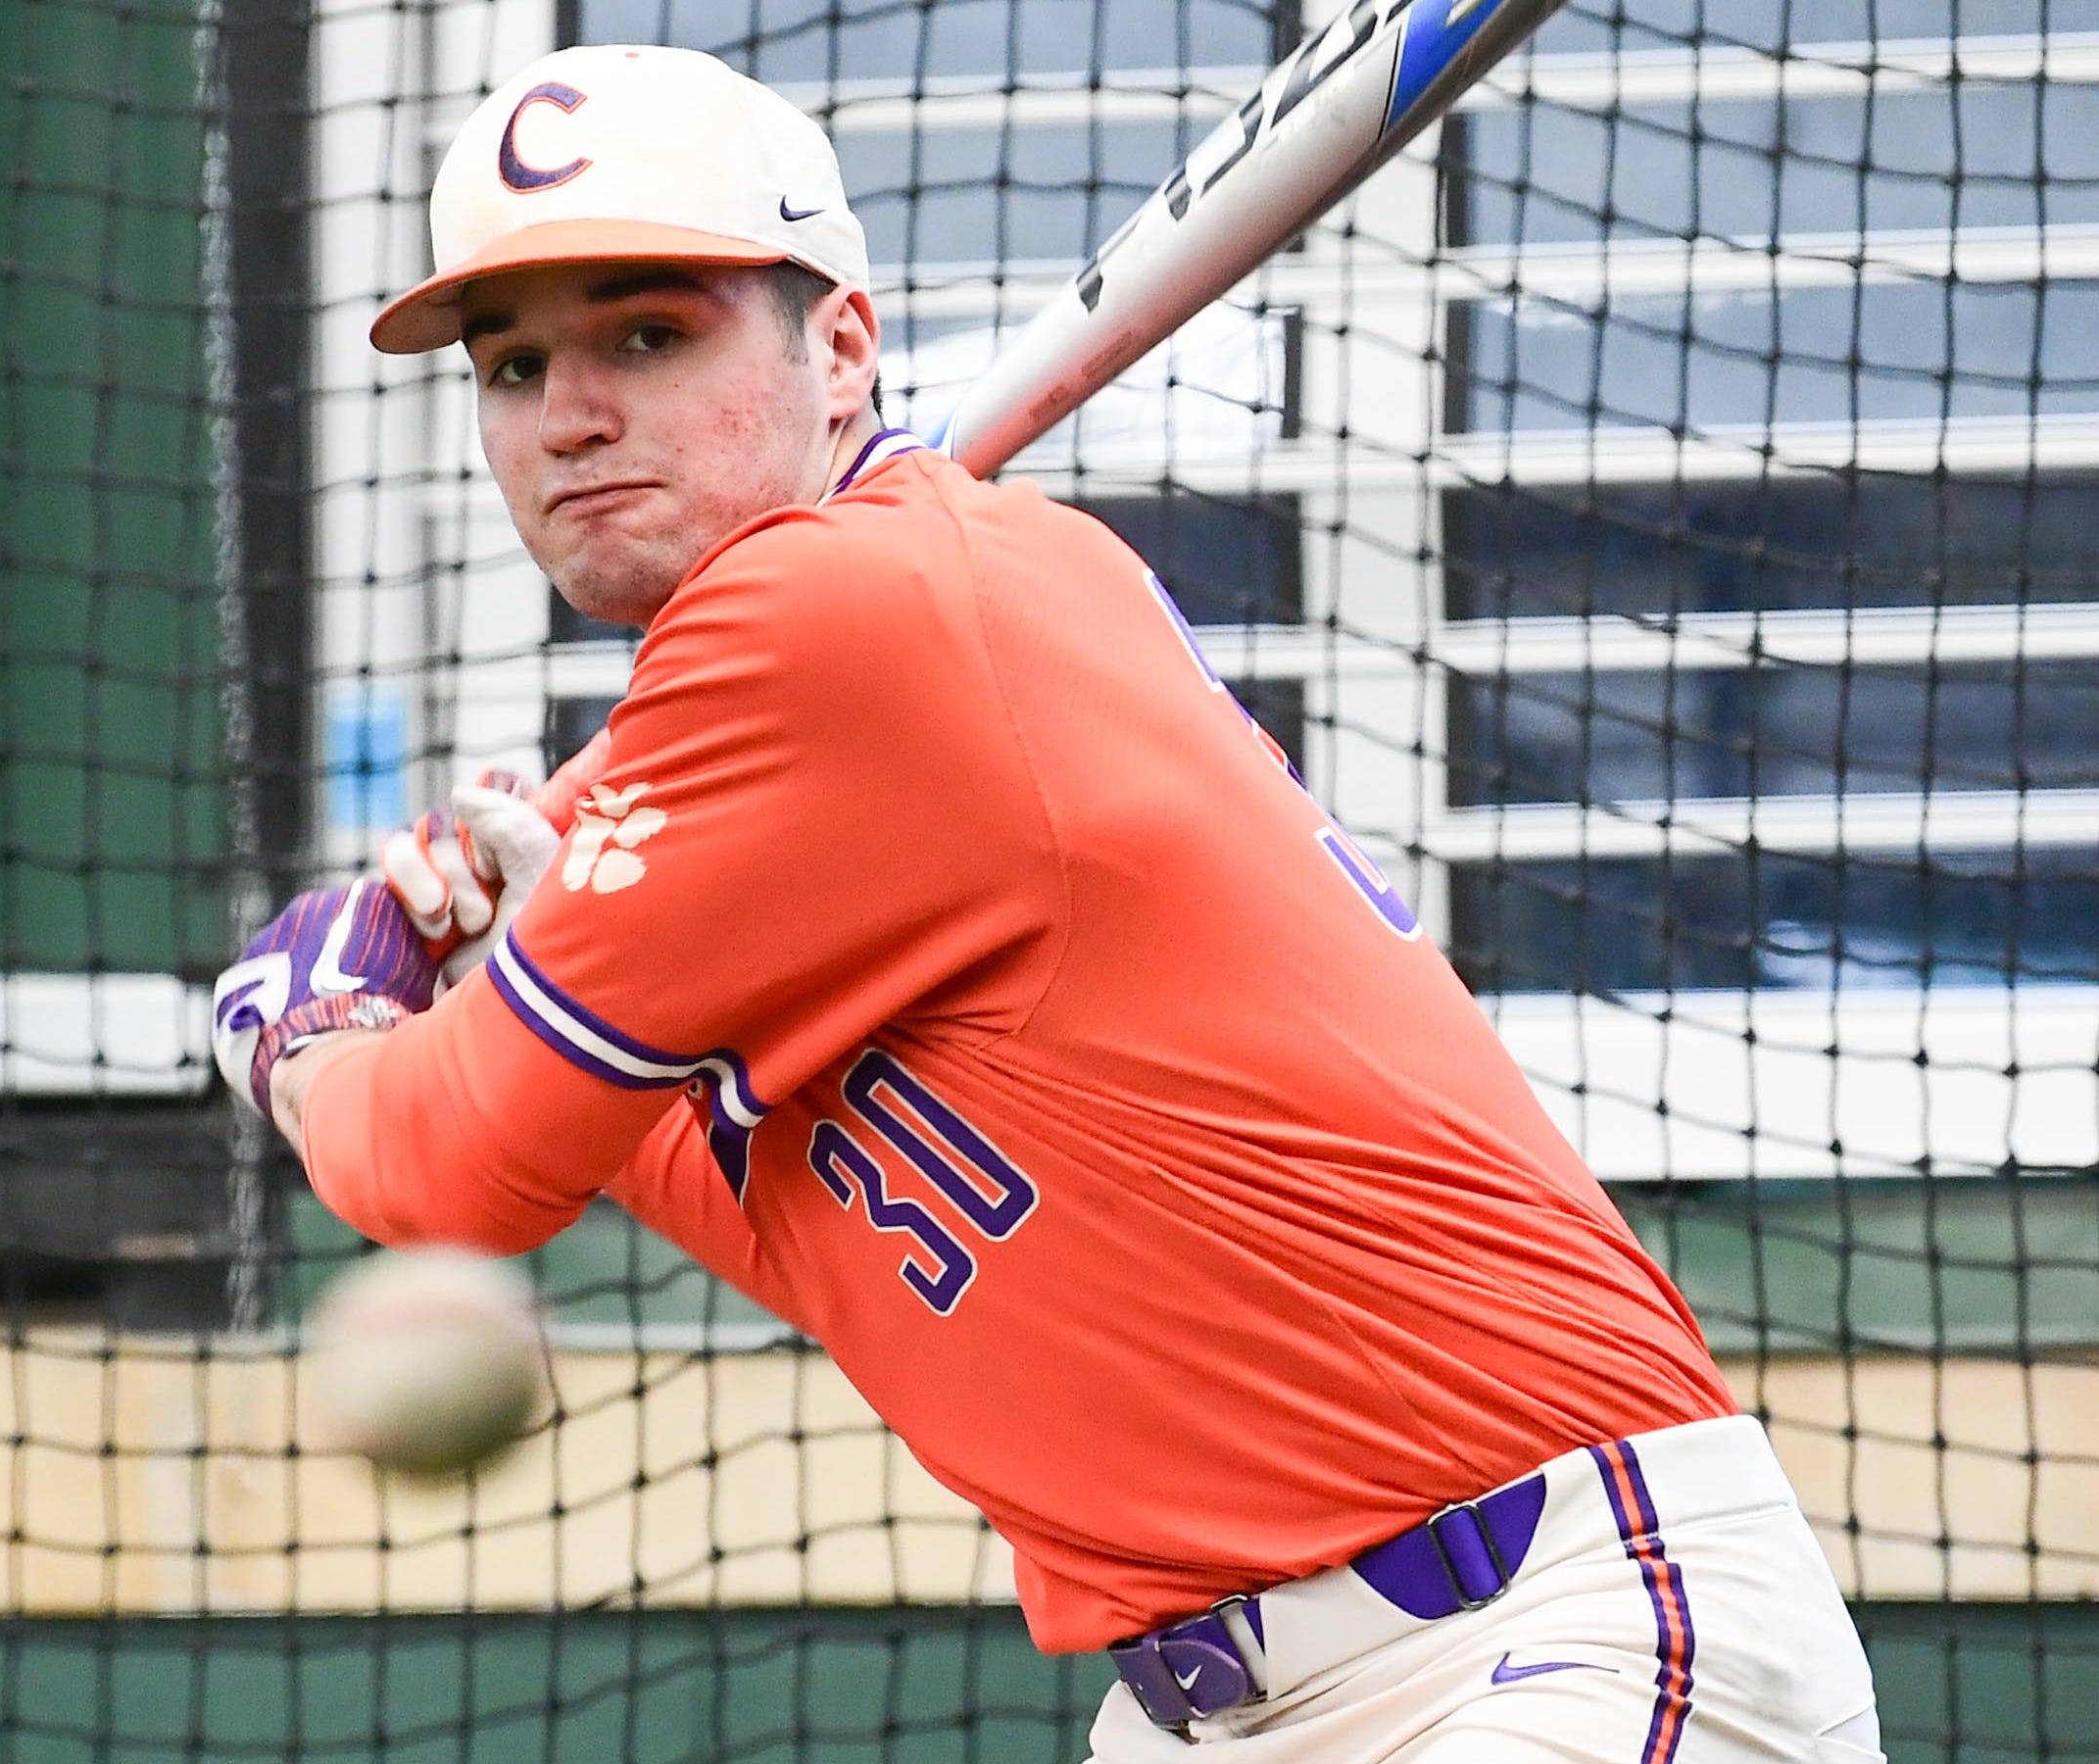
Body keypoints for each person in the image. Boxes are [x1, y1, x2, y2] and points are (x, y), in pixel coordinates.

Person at [212, 42, 1884, 1763]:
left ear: (841, 345)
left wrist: (305, 1028)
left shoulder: (835, 615)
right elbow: (843, 1217)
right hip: (1222, 1702)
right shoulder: (856, 657)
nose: (568, 413)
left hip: (1538, 1637)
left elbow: (444, 1167)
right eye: (513, 364)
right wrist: (530, 979)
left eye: (648, 333)